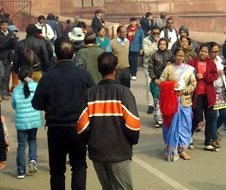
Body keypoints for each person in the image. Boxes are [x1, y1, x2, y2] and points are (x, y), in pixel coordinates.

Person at [31, 41, 95, 190]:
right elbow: (92, 98)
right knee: (78, 165)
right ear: (73, 56)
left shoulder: (47, 77)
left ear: (56, 57)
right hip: (78, 127)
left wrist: (50, 106)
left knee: (57, 170)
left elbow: (37, 104)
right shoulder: (83, 74)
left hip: (56, 128)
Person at [78, 52, 141, 190]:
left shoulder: (90, 94)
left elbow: (82, 127)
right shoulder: (124, 93)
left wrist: (91, 141)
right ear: (115, 69)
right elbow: (133, 126)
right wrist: (129, 143)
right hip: (119, 152)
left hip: (97, 152)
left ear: (99, 69)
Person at [158, 48, 196, 161]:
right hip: (171, 102)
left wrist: (184, 91)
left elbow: (193, 84)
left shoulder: (189, 70)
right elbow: (161, 82)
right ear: (174, 56)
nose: (180, 58)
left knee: (185, 126)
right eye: (178, 55)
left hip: (184, 102)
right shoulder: (168, 69)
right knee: (171, 125)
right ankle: (171, 149)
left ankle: (182, 150)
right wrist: (171, 86)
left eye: (182, 56)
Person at [11, 66, 43, 179]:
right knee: (32, 140)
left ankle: (20, 170)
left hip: (21, 121)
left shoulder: (16, 90)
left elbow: (14, 105)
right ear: (31, 75)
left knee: (21, 145)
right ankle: (33, 159)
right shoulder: (36, 87)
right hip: (34, 120)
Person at [188, 44, 219, 151]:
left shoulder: (211, 63)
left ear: (208, 53)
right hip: (197, 95)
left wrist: (204, 75)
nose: (203, 53)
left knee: (209, 118)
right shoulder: (192, 63)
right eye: (202, 51)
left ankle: (208, 142)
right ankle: (189, 138)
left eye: (206, 52)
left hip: (208, 95)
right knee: (196, 118)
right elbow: (186, 74)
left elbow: (215, 75)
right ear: (198, 51)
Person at [0, 19, 17, 99]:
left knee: (7, 76)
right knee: (1, 75)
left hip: (8, 58)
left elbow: (15, 45)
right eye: (3, 25)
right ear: (1, 26)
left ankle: (4, 92)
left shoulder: (11, 34)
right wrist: (6, 45)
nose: (5, 26)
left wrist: (13, 42)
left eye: (6, 25)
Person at [208, 42, 226, 138]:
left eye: (217, 51)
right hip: (212, 92)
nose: (216, 54)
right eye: (213, 52)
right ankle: (213, 137)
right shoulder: (206, 62)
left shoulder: (220, 59)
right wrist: (215, 74)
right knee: (213, 117)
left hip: (222, 91)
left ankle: (214, 129)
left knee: (225, 115)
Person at [148, 38, 172, 128]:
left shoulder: (170, 55)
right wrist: (154, 78)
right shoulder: (154, 55)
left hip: (167, 82)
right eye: (160, 44)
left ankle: (166, 118)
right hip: (156, 81)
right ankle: (158, 119)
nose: (162, 46)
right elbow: (150, 67)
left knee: (166, 100)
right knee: (157, 101)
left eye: (164, 44)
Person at [142, 27, 160, 114]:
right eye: (154, 33)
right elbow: (147, 52)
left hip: (159, 67)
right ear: (151, 33)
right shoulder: (146, 40)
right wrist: (154, 43)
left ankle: (158, 103)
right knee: (149, 86)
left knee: (158, 86)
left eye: (157, 33)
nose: (156, 35)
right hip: (148, 66)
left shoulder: (161, 41)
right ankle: (150, 105)